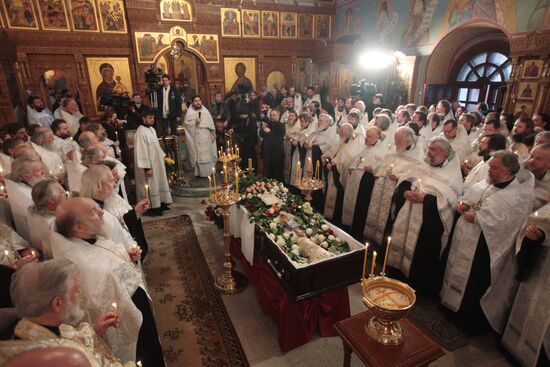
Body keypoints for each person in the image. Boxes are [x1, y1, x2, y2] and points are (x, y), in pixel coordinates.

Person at [53, 198, 165, 366]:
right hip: (127, 316)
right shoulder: (85, 265)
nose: (101, 212)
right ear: (78, 228)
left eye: (97, 207)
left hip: (136, 301)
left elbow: (108, 258)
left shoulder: (88, 238)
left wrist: (127, 256)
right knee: (145, 354)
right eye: (93, 212)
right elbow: (100, 293)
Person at [440, 151, 534, 335]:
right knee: (454, 268)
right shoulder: (488, 183)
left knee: (473, 280)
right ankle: (449, 306)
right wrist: (462, 204)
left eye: (494, 167)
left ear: (508, 171)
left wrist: (478, 218)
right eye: (489, 165)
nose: (488, 170)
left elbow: (509, 224)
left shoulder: (516, 196)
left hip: (484, 247)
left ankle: (465, 318)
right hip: (464, 238)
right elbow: (469, 197)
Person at [0, 259, 134, 367]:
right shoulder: (66, 360)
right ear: (58, 303)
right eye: (75, 290)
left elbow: (69, 336)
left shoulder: (24, 325)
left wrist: (94, 329)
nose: (79, 294)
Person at [389, 137, 463, 295]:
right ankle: (398, 272)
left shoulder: (452, 174)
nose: (428, 152)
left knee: (422, 251)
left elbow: (449, 202)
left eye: (432, 150)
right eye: (428, 148)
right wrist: (405, 191)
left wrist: (426, 199)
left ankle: (416, 284)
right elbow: (406, 180)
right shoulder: (424, 164)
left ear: (443, 153)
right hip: (409, 211)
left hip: (428, 222)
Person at [501, 203, 550, 367]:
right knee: (529, 306)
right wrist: (538, 235)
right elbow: (540, 223)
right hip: (540, 268)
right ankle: (515, 350)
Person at [365, 126, 424, 245]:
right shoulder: (395, 147)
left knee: (388, 217)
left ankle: (383, 244)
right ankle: (371, 238)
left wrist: (399, 177)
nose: (395, 143)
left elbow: (416, 173)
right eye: (395, 140)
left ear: (408, 141)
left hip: (397, 188)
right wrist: (379, 171)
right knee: (375, 210)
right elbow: (384, 163)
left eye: (398, 141)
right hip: (383, 184)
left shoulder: (418, 154)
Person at [341, 126, 387, 239]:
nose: (366, 138)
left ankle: (357, 231)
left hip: (367, 182)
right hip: (355, 179)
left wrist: (373, 169)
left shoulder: (383, 150)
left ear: (377, 137)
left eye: (369, 136)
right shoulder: (365, 146)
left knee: (361, 206)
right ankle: (348, 226)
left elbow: (383, 168)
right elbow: (355, 159)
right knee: (352, 202)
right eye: (366, 135)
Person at [323, 123, 362, 224]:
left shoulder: (353, 144)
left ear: (349, 133)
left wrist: (334, 165)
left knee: (338, 197)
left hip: (340, 175)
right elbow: (332, 153)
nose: (339, 133)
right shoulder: (341, 140)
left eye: (342, 131)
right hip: (333, 171)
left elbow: (347, 161)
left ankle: (335, 219)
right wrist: (328, 161)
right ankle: (327, 217)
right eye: (339, 131)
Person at [135, 111, 172, 216]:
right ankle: (152, 208)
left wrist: (163, 158)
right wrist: (147, 168)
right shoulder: (140, 132)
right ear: (143, 118)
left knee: (159, 182)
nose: (152, 120)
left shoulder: (152, 129)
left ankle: (162, 203)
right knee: (151, 185)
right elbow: (141, 151)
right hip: (149, 165)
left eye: (153, 118)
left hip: (157, 163)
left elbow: (156, 146)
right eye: (150, 118)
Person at [5, 156, 45, 242]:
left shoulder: (28, 184)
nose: (43, 173)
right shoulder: (27, 197)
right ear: (25, 176)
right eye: (38, 171)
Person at [27, 179, 66, 259]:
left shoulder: (32, 210)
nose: (65, 192)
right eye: (61, 192)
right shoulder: (52, 223)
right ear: (51, 200)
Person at [183, 95, 217, 179]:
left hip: (206, 136)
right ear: (193, 102)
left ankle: (209, 171)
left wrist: (212, 134)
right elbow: (186, 127)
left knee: (208, 154)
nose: (198, 102)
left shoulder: (206, 111)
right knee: (199, 155)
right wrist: (195, 122)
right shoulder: (189, 113)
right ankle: (199, 173)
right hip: (196, 137)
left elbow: (211, 125)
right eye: (196, 101)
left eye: (199, 100)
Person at [526, 143, 550, 211]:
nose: (532, 161)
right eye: (531, 156)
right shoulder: (523, 169)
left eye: (538, 159)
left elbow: (531, 204)